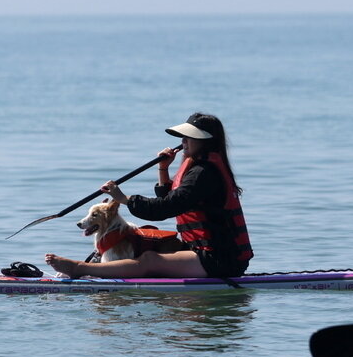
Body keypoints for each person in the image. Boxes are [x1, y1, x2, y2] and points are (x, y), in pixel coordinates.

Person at [45, 113, 253, 280]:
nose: (183, 141)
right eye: (183, 136)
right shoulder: (199, 169)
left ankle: (79, 268)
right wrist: (163, 169)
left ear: (206, 141)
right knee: (146, 243)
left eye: (189, 137)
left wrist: (124, 199)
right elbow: (175, 199)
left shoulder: (204, 173)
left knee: (149, 260)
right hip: (206, 251)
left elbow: (165, 208)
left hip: (220, 259)